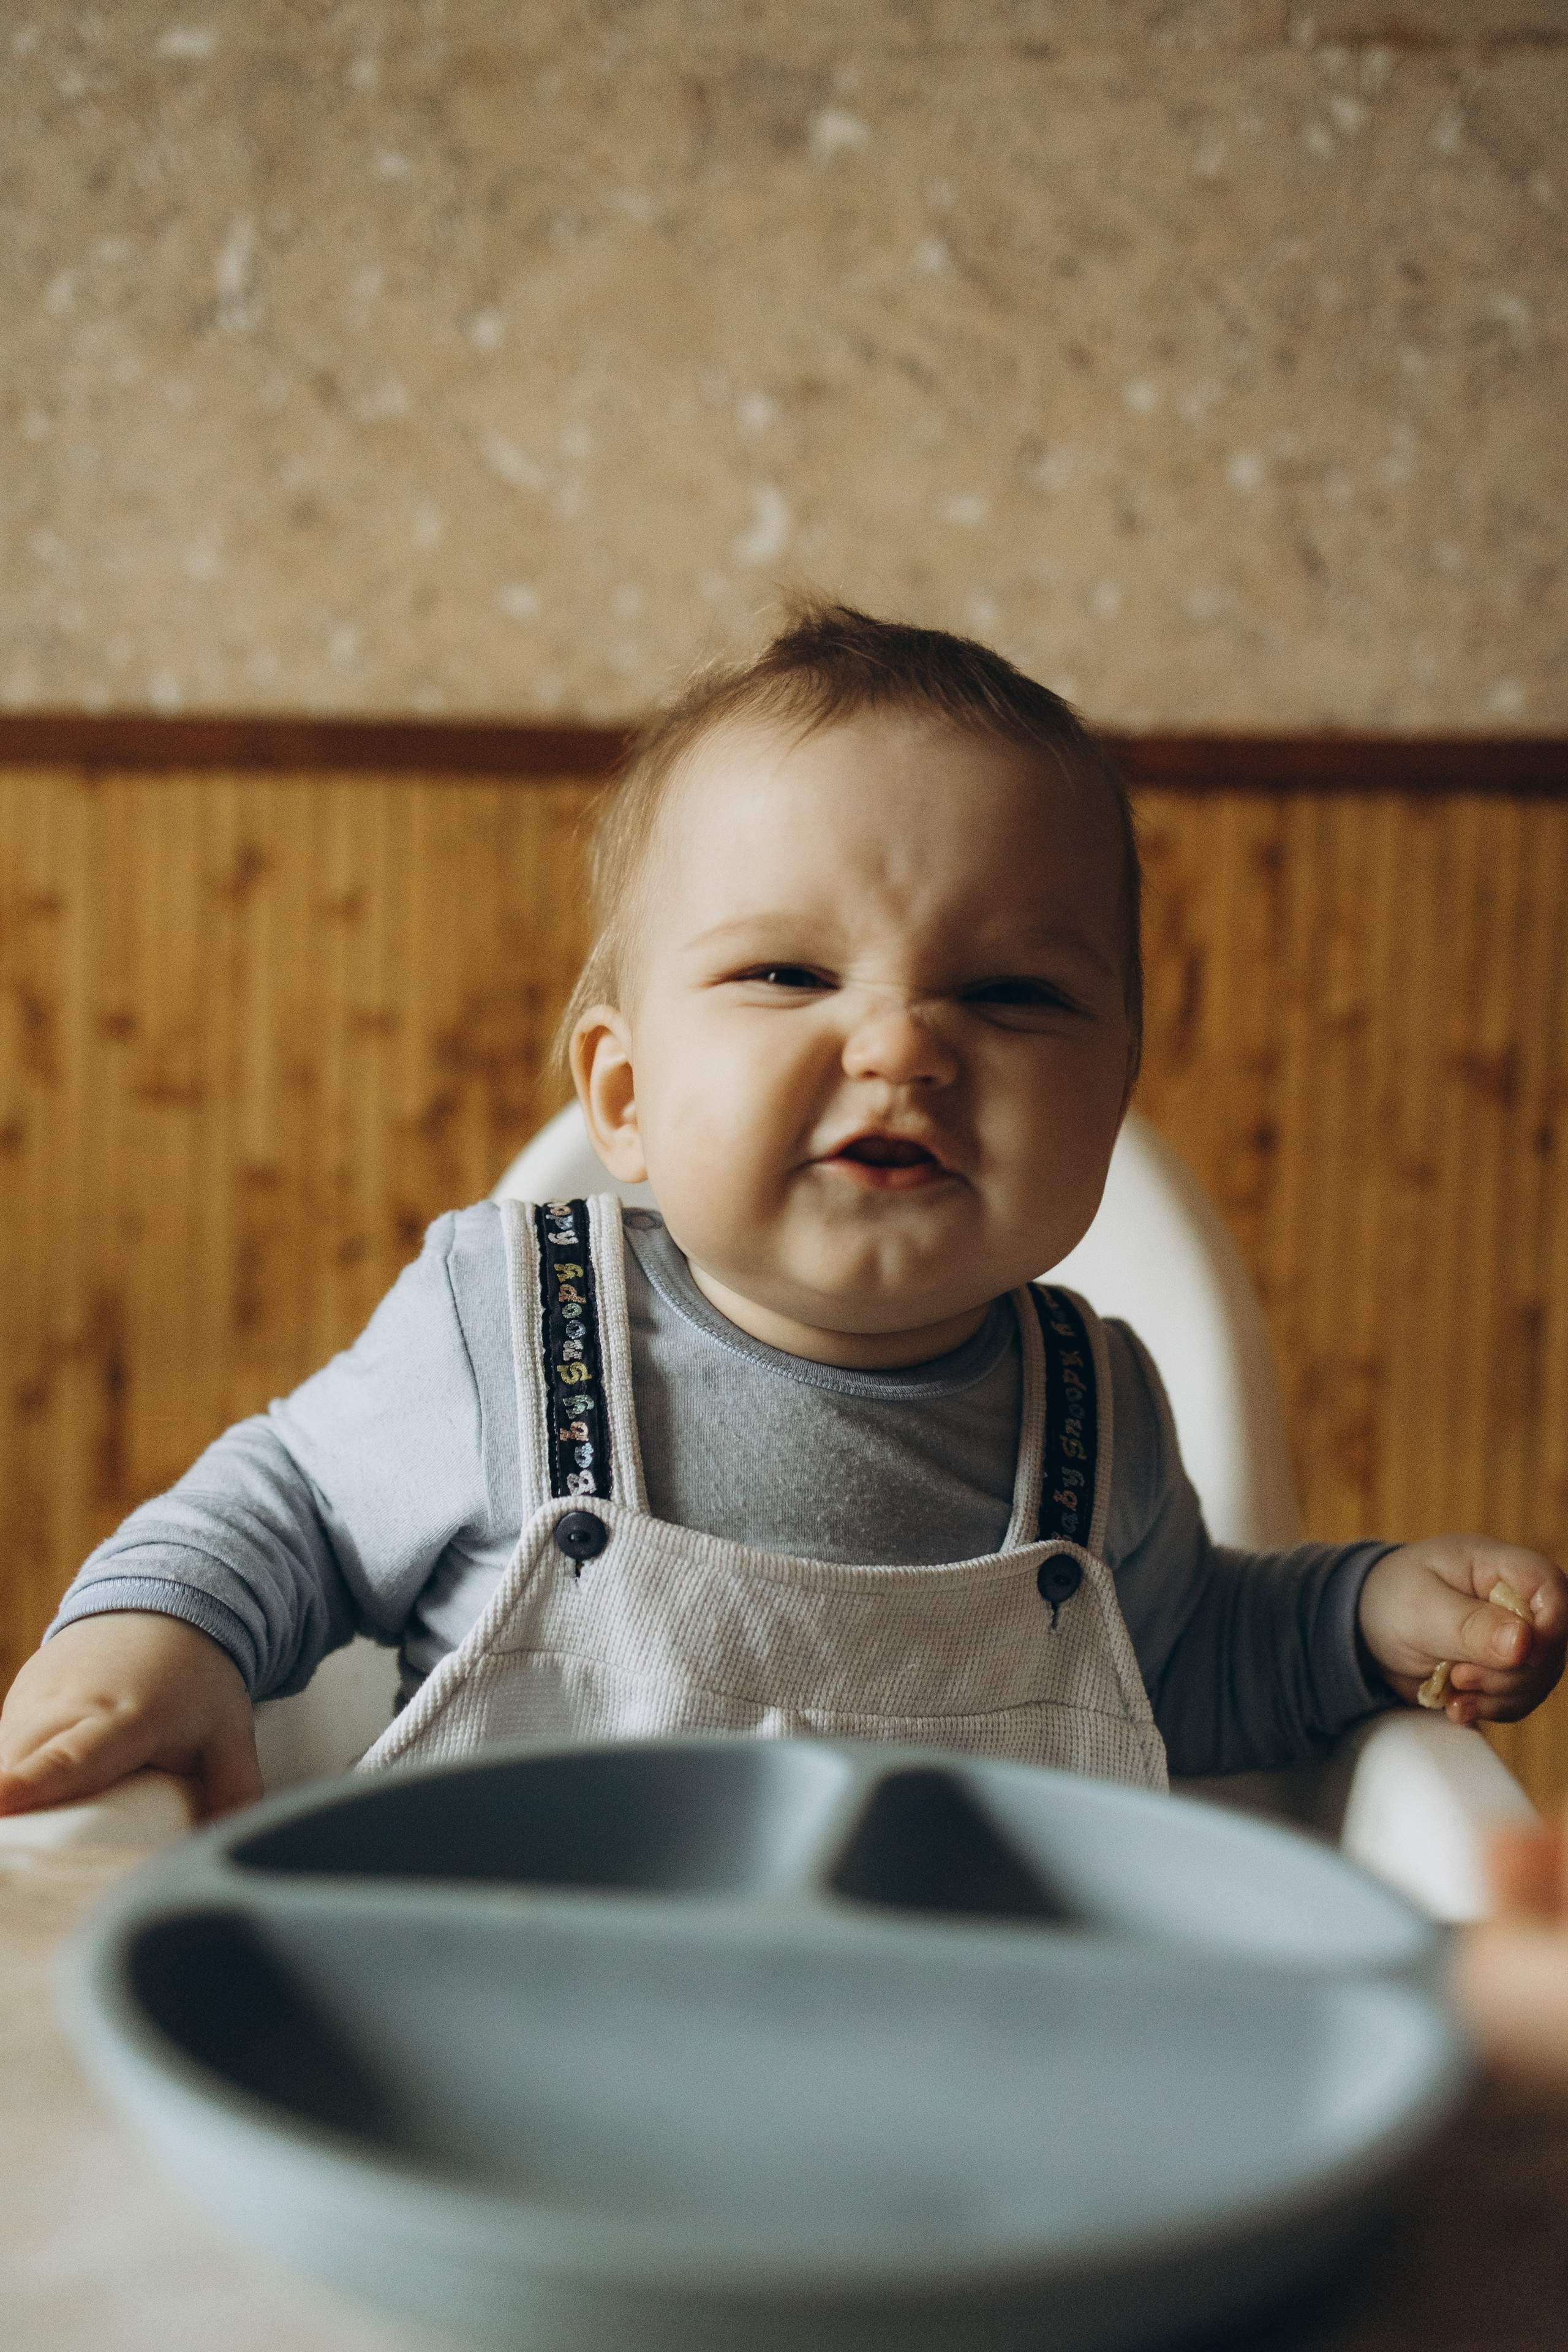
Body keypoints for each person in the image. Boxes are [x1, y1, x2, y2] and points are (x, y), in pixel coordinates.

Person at [2, 605, 1563, 1818]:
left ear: (1111, 1099)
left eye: (1011, 993)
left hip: (952, 2115)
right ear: (619, 1097)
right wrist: (156, 1644)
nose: (898, 1043)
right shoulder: (505, 1331)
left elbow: (1182, 1675)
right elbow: (282, 1513)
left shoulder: (1097, 1414)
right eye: (787, 975)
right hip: (513, 2049)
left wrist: (1357, 1614)